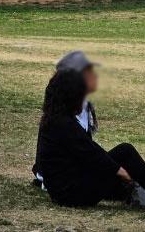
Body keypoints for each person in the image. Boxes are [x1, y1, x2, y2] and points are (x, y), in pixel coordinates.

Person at [34, 69, 145, 214]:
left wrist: (120, 169)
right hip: (71, 194)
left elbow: (89, 152)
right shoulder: (62, 124)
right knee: (125, 151)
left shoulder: (54, 120)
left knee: (126, 164)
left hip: (67, 187)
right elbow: (92, 154)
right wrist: (121, 171)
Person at [33, 51, 99, 188]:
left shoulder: (83, 104)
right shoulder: (63, 115)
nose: (95, 75)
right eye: (88, 72)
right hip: (66, 178)